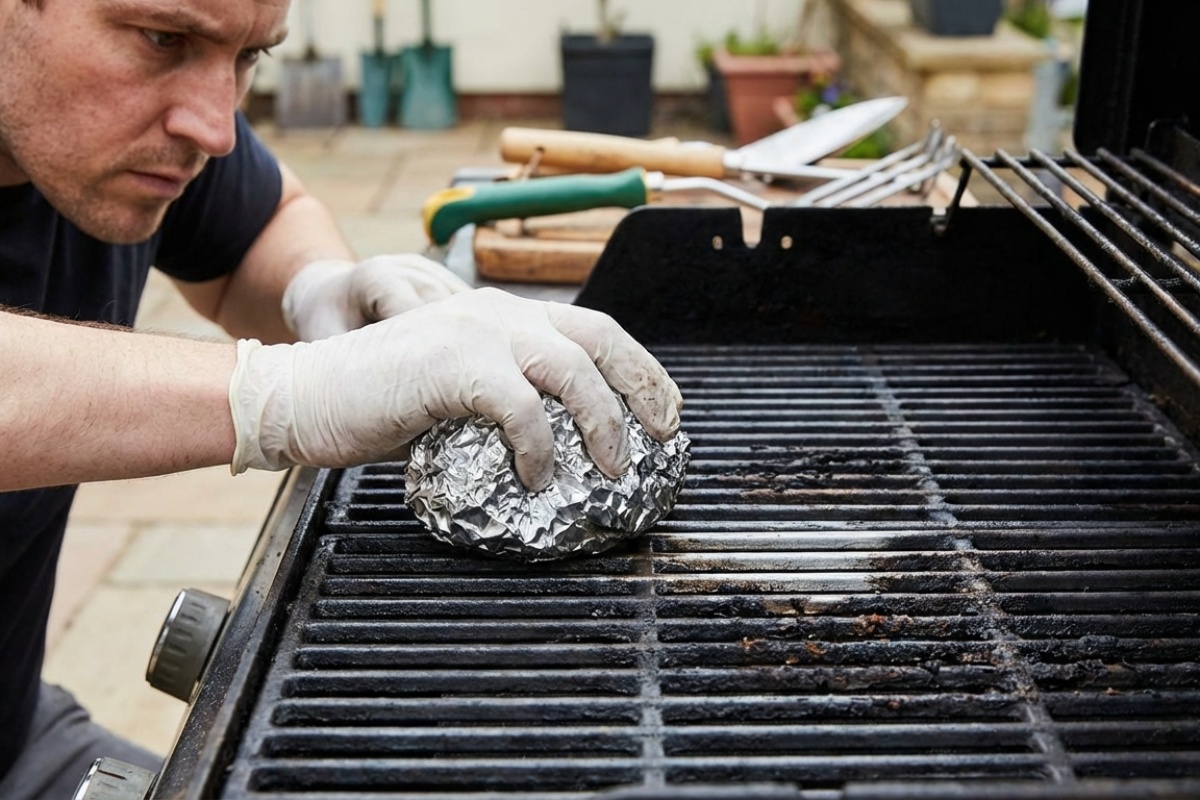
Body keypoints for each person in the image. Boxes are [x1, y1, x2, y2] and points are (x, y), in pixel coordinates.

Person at [0, 0, 683, 796]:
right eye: (164, 38)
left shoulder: (146, 131)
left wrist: (322, 290)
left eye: (251, 56)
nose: (215, 129)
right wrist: (285, 392)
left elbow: (261, 225)